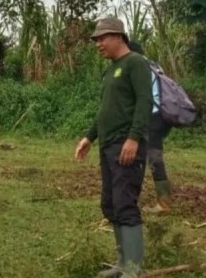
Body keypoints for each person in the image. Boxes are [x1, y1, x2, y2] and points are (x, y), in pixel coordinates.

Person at [74, 18, 153, 277]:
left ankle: (133, 269)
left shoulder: (136, 63)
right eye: (96, 39)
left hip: (125, 145)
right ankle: (122, 262)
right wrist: (89, 137)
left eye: (102, 38)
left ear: (118, 36)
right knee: (110, 204)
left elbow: (145, 102)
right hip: (107, 146)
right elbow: (106, 110)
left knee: (125, 203)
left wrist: (134, 138)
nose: (98, 44)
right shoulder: (111, 70)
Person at [127, 41, 173, 213]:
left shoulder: (139, 67)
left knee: (153, 157)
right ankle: (135, 195)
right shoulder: (154, 65)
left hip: (151, 116)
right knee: (145, 154)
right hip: (161, 115)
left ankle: (164, 203)